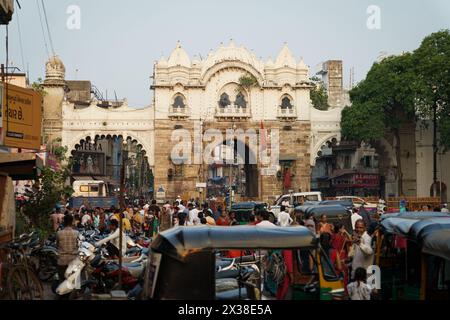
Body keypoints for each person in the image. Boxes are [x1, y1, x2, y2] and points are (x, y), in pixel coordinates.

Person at [56, 215, 79, 294]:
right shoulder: (76, 233)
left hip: (62, 261)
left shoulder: (59, 233)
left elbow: (57, 245)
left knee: (61, 281)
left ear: (64, 222)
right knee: (74, 281)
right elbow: (78, 245)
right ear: (72, 222)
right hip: (73, 261)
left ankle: (61, 294)